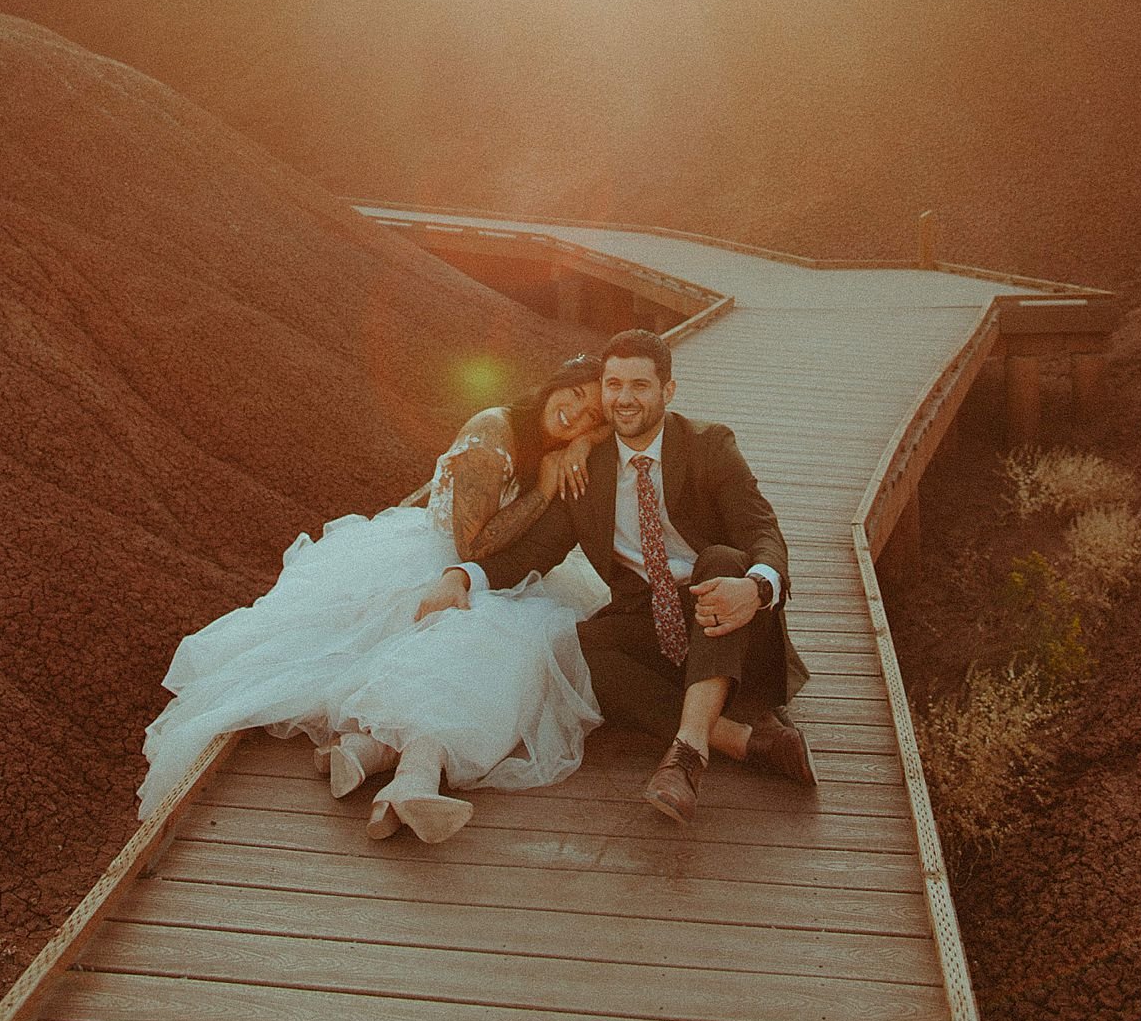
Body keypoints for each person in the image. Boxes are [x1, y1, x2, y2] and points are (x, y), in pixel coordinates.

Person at [137, 355, 607, 841]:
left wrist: (587, 441)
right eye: (573, 395)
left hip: (494, 572)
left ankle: (365, 753)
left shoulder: (563, 440)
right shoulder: (495, 433)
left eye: (593, 414)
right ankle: (410, 774)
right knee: (484, 640)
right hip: (439, 561)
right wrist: (544, 490)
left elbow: (614, 435)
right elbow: (474, 546)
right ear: (555, 385)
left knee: (520, 640)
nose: (577, 413)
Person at [417, 327, 816, 827]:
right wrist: (461, 574)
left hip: (732, 627)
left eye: (640, 386)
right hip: (654, 627)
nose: (624, 399)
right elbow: (535, 553)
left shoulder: (709, 445)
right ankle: (746, 740)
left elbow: (763, 531)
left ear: (667, 392)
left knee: (719, 560)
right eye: (613, 385)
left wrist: (756, 588)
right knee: (573, 645)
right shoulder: (587, 473)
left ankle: (687, 757)